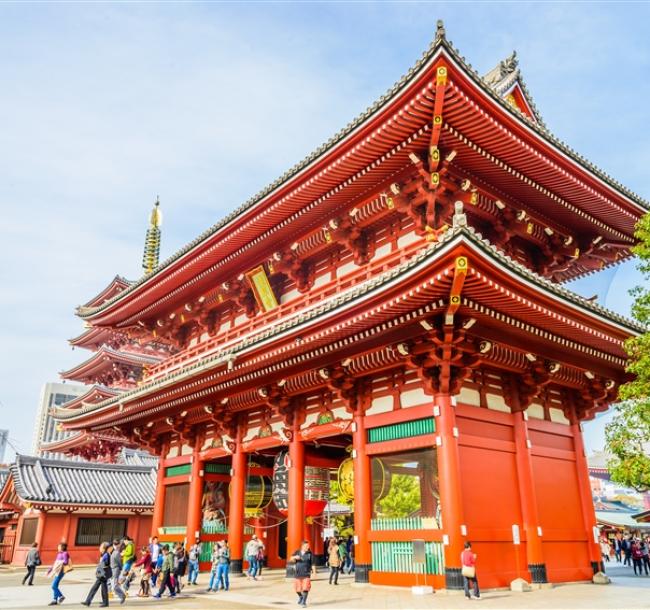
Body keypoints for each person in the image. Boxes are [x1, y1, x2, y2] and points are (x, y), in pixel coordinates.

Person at [82, 541, 113, 608]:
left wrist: (99, 570)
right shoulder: (104, 554)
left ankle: (104, 602)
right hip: (102, 573)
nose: (99, 548)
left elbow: (105, 564)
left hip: (103, 574)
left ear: (104, 548)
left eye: (101, 547)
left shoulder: (106, 555)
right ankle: (88, 601)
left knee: (102, 588)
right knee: (97, 588)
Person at [290, 540, 313, 607]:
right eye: (306, 546)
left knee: (305, 588)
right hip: (298, 573)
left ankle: (304, 602)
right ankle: (301, 597)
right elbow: (291, 559)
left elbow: (313, 563)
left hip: (306, 573)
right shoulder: (297, 552)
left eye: (308, 546)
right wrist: (294, 557)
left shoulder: (310, 554)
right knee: (297, 589)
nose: (307, 547)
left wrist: (314, 572)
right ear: (302, 546)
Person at [47, 542, 71, 606]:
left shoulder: (65, 553)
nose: (58, 548)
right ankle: (55, 600)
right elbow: (55, 563)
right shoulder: (59, 554)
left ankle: (61, 596)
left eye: (59, 547)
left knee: (53, 586)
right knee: (55, 585)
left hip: (61, 571)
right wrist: (50, 569)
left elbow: (66, 562)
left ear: (62, 547)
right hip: (57, 570)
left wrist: (60, 563)